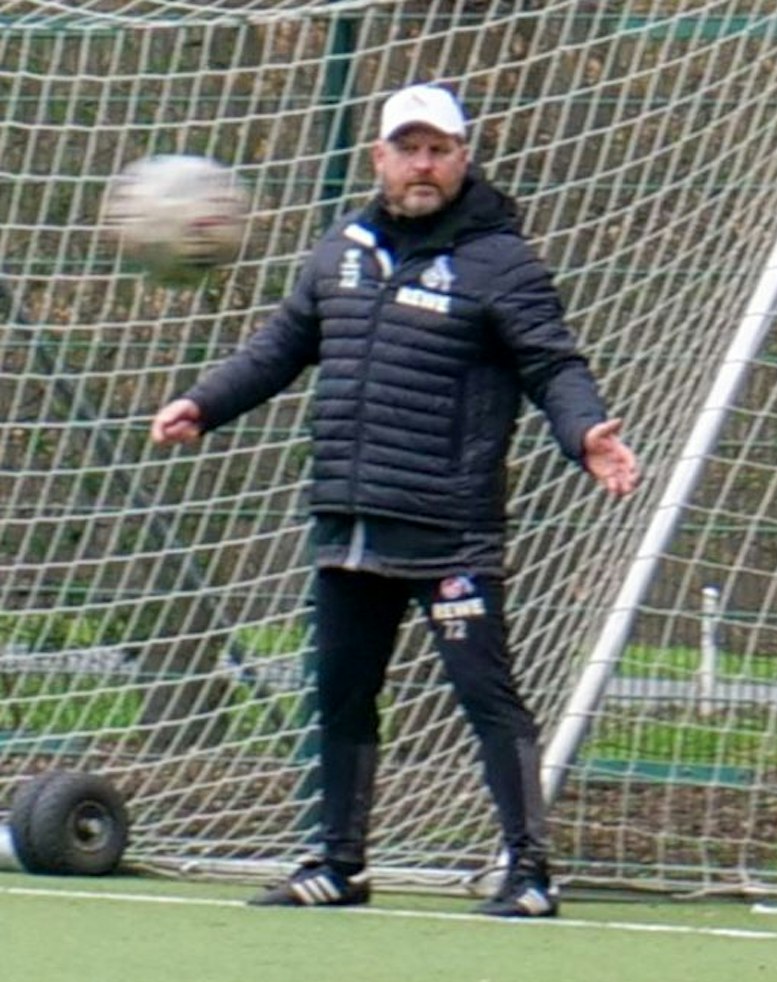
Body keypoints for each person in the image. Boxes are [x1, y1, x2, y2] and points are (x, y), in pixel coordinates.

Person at [150, 82, 639, 918]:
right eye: (407, 148)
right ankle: (339, 865)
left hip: (449, 529)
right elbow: (280, 348)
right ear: (378, 158)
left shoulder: (500, 262)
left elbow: (553, 364)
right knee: (339, 693)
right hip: (350, 518)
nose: (423, 164)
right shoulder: (342, 251)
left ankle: (528, 874)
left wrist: (585, 433)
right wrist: (206, 401)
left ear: (463, 158)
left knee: (485, 695)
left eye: (438, 149)